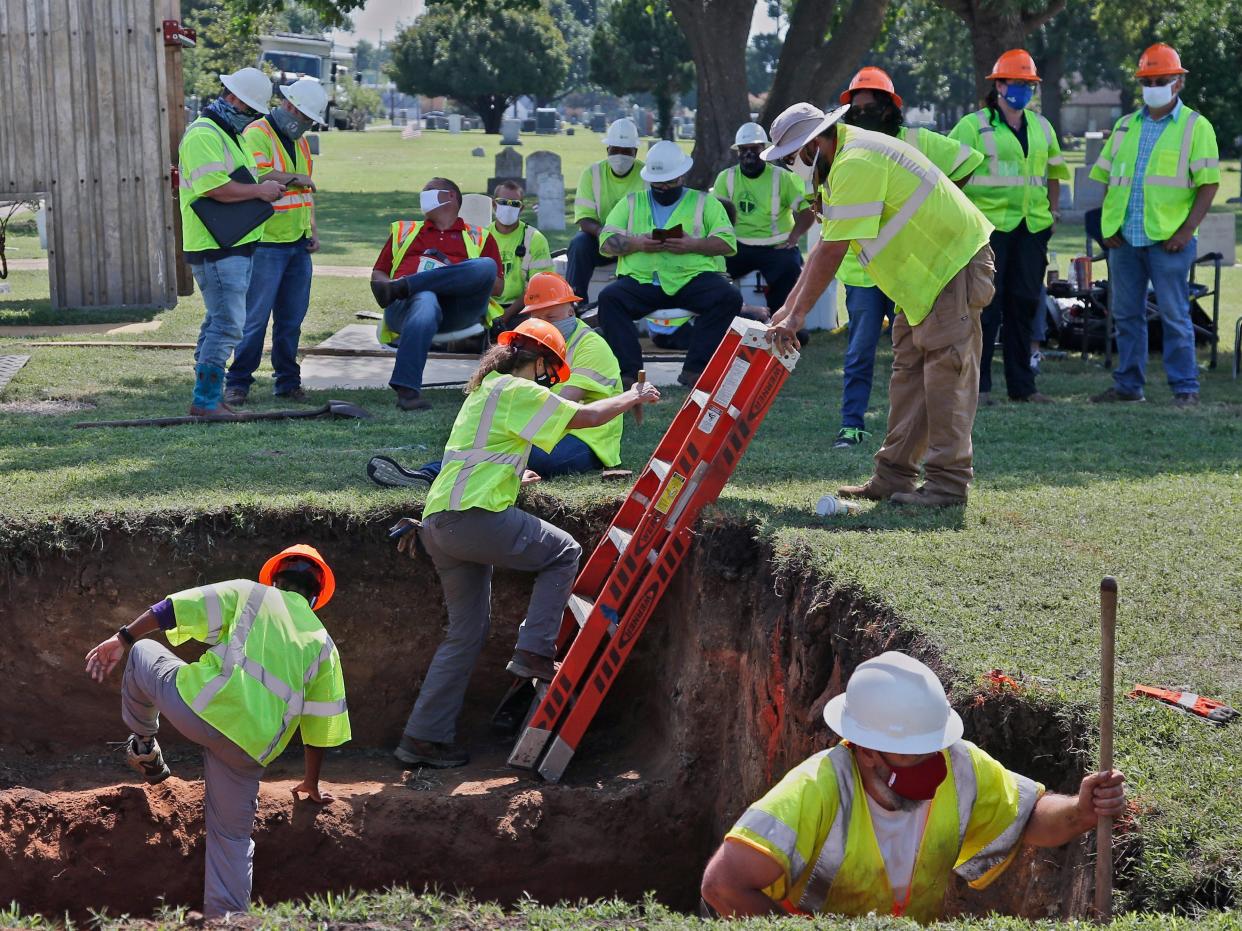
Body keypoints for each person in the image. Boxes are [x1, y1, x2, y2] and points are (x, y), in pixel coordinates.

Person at [390, 318, 659, 768]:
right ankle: (535, 652)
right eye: (549, 370)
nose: (548, 379)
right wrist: (635, 395)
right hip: (473, 520)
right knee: (565, 552)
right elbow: (587, 417)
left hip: (439, 525)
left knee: (464, 635)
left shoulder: (486, 389)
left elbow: (485, 450)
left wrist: (516, 473)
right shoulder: (519, 390)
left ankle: (421, 738)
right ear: (539, 362)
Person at [701, 652, 1126, 921]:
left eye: (933, 748)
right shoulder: (815, 790)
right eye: (912, 754)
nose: (931, 763)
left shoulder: (958, 764)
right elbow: (722, 885)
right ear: (865, 749)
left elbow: (1029, 815)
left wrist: (1080, 812)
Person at [83, 545, 350, 919]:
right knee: (233, 840)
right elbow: (320, 726)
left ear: (275, 577)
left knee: (144, 652)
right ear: (316, 594)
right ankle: (227, 922)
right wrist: (311, 783)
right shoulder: (324, 644)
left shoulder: (250, 593)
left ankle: (144, 747)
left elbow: (174, 609)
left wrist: (122, 639)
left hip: (200, 708)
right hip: (249, 750)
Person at [763, 103, 996, 508]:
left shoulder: (855, 162)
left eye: (791, 156)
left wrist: (797, 315)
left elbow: (831, 252)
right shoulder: (840, 164)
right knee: (909, 375)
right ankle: (893, 477)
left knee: (946, 376)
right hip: (923, 279)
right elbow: (822, 247)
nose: (789, 166)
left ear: (816, 142)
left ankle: (948, 485)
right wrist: (787, 309)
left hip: (950, 266)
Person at [833, 67, 985, 448]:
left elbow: (967, 161)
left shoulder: (917, 140)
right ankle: (851, 425)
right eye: (855, 108)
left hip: (907, 269)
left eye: (868, 107)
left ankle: (903, 438)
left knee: (913, 355)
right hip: (864, 271)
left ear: (889, 109)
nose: (861, 115)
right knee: (860, 351)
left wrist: (933, 207)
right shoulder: (844, 153)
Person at [367, 273, 625, 488]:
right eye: (538, 317)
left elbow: (567, 408)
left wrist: (510, 420)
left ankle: (437, 475)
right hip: (539, 424)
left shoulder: (591, 346)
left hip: (586, 438)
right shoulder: (535, 343)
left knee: (525, 452)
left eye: (552, 317)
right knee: (489, 441)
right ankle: (429, 474)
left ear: (571, 309)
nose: (546, 324)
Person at [1089, 43, 1220, 408]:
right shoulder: (1124, 125)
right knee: (1127, 314)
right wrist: (1107, 225)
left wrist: (1184, 231)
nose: (1153, 86)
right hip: (1125, 239)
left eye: (1160, 79)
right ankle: (1129, 386)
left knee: (1176, 315)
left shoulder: (1196, 127)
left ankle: (1185, 389)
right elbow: (1106, 178)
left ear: (1177, 83)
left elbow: (1209, 184)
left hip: (1169, 241)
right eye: (1147, 80)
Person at [950, 50, 1070, 406]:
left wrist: (1053, 210)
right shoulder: (973, 126)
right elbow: (948, 175)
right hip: (988, 232)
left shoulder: (1042, 127)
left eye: (1028, 84)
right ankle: (980, 386)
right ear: (998, 85)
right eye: (1015, 83)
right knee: (986, 307)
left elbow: (1054, 173)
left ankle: (1023, 386)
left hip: (1031, 229)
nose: (1022, 89)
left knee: (1025, 304)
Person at [178, 68, 285, 416]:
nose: (252, 118)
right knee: (227, 324)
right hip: (218, 247)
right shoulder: (204, 135)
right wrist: (261, 191)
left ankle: (208, 395)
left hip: (230, 244)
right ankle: (206, 401)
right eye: (252, 110)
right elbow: (215, 189)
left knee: (218, 320)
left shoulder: (227, 133)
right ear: (236, 99)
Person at [597, 140, 743, 388]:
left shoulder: (705, 202)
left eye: (669, 181)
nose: (664, 187)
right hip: (642, 281)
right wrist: (637, 243)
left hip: (692, 279)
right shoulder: (631, 202)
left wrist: (692, 245)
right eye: (658, 183)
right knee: (610, 299)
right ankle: (629, 373)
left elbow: (727, 243)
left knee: (728, 297)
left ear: (682, 176)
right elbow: (606, 242)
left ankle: (696, 369)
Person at [224, 78, 327, 406]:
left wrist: (311, 229)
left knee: (292, 319)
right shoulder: (258, 133)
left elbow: (304, 195)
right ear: (291, 107)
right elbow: (255, 174)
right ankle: (238, 382)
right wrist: (296, 179)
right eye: (307, 116)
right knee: (254, 319)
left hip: (296, 243)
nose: (308, 123)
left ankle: (287, 382)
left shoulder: (300, 141)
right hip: (266, 243)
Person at [370, 178, 504, 411]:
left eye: (429, 191)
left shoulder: (479, 236)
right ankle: (407, 391)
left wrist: (450, 271)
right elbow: (379, 273)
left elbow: (498, 286)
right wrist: (389, 285)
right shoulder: (406, 231)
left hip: (459, 310)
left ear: (450, 196)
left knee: (486, 266)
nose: (423, 195)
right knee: (426, 298)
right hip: (405, 307)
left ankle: (408, 284)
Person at [712, 122, 815, 315]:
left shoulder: (783, 178)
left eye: (754, 149)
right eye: (744, 149)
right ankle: (731, 317)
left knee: (790, 270)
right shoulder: (725, 178)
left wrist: (794, 237)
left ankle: (781, 322)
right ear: (737, 152)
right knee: (710, 271)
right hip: (737, 246)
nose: (748, 154)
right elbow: (714, 214)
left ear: (764, 149)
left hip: (776, 247)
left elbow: (807, 210)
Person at [567, 118, 647, 302]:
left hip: (635, 243)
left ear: (635, 152)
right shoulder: (592, 173)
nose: (620, 156)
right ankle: (575, 303)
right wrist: (604, 234)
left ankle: (634, 304)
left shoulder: (646, 176)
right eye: (615, 150)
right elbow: (584, 219)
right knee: (579, 244)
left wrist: (629, 241)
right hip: (599, 240)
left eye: (626, 151)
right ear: (607, 150)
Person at [489, 180, 554, 328]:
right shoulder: (482, 236)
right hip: (487, 309)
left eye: (514, 204)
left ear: (521, 208)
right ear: (494, 204)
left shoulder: (535, 239)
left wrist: (505, 316)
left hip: (523, 310)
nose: (508, 207)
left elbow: (538, 287)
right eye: (503, 202)